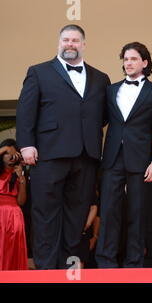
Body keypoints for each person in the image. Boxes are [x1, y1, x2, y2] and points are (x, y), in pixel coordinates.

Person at [15, 24, 111, 269]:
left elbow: (101, 116)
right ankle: (47, 271)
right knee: (46, 216)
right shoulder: (38, 72)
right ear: (59, 43)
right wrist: (26, 144)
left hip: (85, 156)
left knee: (77, 218)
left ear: (83, 44)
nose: (71, 44)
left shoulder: (101, 78)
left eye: (75, 40)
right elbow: (26, 112)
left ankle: (70, 272)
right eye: (66, 40)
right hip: (48, 154)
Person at [95, 42, 152, 268]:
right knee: (108, 212)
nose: (128, 63)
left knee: (138, 214)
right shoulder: (111, 90)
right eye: (126, 59)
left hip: (141, 160)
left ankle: (134, 263)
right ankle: (105, 262)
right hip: (112, 158)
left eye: (133, 59)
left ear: (144, 63)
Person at [0, 139, 28, 270]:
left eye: (13, 154)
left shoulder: (18, 173)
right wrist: (4, 149)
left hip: (14, 215)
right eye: (6, 153)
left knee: (12, 249)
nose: (10, 156)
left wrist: (21, 178)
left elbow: (21, 201)